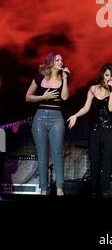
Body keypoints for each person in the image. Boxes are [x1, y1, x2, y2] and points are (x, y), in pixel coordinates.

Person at [68, 63, 112, 198]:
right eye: (107, 75)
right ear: (102, 74)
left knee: (107, 160)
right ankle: (93, 190)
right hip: (95, 129)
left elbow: (111, 109)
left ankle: (105, 191)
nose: (108, 78)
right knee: (95, 160)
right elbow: (86, 108)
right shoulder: (93, 89)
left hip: (110, 130)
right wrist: (75, 115)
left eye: (111, 76)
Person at [25, 53, 70, 195]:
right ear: (51, 62)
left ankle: (60, 188)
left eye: (62, 60)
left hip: (57, 118)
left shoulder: (64, 77)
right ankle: (43, 190)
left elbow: (64, 97)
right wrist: (43, 97)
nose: (61, 62)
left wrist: (65, 78)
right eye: (58, 60)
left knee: (57, 153)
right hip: (40, 118)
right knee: (42, 155)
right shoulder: (39, 78)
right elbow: (28, 97)